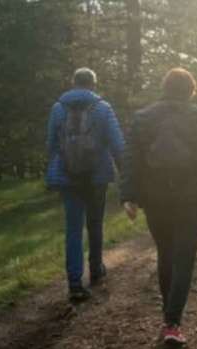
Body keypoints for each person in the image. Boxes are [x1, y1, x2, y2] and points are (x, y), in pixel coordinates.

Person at [120, 68, 197, 345]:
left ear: (164, 88)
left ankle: (167, 317)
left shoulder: (143, 118)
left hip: (156, 198)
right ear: (190, 90)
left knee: (166, 254)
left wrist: (128, 196)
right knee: (184, 258)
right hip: (193, 198)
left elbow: (130, 160)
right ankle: (172, 323)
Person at [45, 67, 124, 302]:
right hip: (97, 175)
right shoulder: (103, 107)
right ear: (93, 84)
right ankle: (97, 270)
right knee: (95, 223)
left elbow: (50, 144)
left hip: (67, 177)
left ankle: (74, 283)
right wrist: (127, 174)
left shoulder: (58, 108)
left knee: (73, 228)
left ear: (73, 83)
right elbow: (117, 144)